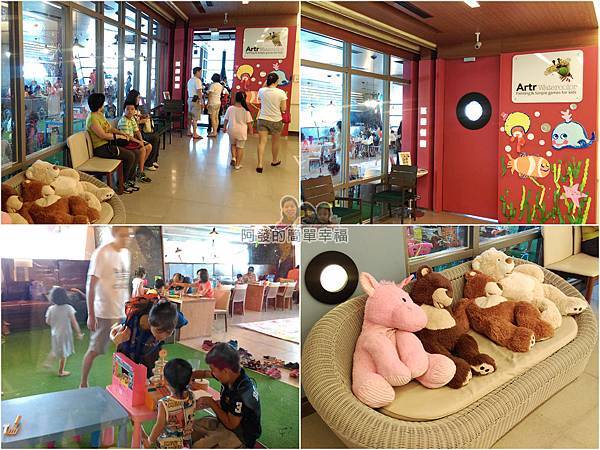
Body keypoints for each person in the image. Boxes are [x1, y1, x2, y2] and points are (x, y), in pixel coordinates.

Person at [80, 227, 132, 388]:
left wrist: (129, 308)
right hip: (104, 313)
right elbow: (91, 285)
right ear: (114, 234)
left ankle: (123, 386)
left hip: (122, 312)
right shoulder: (102, 253)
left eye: (129, 235)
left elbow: (123, 285)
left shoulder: (126, 254)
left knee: (124, 351)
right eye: (123, 235)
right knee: (95, 350)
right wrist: (91, 314)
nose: (127, 238)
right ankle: (83, 383)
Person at [192, 343, 262, 448]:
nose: (212, 372)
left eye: (213, 369)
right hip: (225, 422)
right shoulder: (232, 374)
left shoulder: (241, 393)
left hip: (240, 435)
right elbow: (205, 373)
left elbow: (231, 424)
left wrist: (211, 402)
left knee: (198, 447)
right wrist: (188, 375)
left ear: (225, 371)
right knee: (190, 429)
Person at [111, 300, 186, 377]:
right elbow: (118, 336)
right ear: (149, 321)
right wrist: (115, 338)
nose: (162, 337)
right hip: (131, 352)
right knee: (130, 376)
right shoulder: (133, 321)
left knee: (149, 375)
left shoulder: (174, 318)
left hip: (149, 353)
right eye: (158, 332)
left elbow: (184, 321)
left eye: (169, 333)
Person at [86, 93, 138, 193]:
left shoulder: (99, 115)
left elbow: (109, 128)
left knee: (135, 152)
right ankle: (121, 184)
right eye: (102, 102)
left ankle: (129, 180)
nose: (104, 104)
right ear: (99, 104)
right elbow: (103, 135)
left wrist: (121, 133)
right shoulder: (92, 119)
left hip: (108, 144)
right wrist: (119, 137)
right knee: (130, 156)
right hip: (101, 148)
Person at [143, 358, 196, 448]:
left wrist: (149, 441)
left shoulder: (163, 404)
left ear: (165, 380)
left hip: (167, 446)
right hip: (186, 443)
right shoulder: (192, 395)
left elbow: (159, 426)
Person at [45, 286, 84, 377]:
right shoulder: (68, 308)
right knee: (64, 353)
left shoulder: (51, 308)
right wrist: (79, 333)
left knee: (55, 348)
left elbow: (47, 321)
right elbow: (74, 322)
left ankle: (48, 363)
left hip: (55, 333)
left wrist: (55, 325)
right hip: (65, 334)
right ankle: (61, 371)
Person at [255, 72, 288, 173]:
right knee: (275, 142)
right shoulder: (281, 93)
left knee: (262, 142)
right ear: (277, 81)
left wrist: (266, 82)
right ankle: (274, 160)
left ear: (267, 80)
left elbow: (259, 97)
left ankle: (260, 164)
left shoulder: (261, 91)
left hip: (262, 119)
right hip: (276, 120)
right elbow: (284, 108)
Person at [124, 89, 160, 171]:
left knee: (156, 136)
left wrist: (142, 117)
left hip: (139, 131)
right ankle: (148, 163)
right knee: (154, 137)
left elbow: (136, 119)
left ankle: (153, 160)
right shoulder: (129, 108)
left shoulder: (136, 108)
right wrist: (141, 121)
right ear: (134, 98)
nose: (139, 99)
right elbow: (132, 123)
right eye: (138, 97)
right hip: (135, 134)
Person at [118, 102, 153, 183]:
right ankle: (140, 172)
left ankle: (139, 168)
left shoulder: (132, 119)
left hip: (133, 140)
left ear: (135, 111)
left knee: (149, 146)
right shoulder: (123, 121)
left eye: (132, 109)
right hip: (126, 142)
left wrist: (141, 140)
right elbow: (128, 137)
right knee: (143, 149)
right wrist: (139, 142)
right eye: (127, 109)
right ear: (124, 110)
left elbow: (137, 131)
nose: (130, 111)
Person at [223, 92, 253, 170]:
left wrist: (224, 127)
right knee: (240, 148)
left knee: (233, 144)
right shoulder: (246, 110)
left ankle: (233, 157)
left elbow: (226, 119)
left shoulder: (230, 108)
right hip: (241, 132)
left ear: (235, 98)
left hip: (231, 130)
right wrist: (251, 131)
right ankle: (237, 165)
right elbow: (249, 123)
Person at [206, 74, 228, 138]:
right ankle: (215, 131)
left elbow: (210, 94)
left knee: (212, 118)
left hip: (212, 103)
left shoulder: (213, 85)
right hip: (218, 102)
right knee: (216, 117)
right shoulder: (221, 86)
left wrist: (208, 103)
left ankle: (214, 132)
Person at [187, 67, 204, 140]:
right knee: (195, 118)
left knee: (190, 117)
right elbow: (199, 91)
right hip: (196, 99)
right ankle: (195, 133)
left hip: (190, 99)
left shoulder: (190, 80)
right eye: (200, 72)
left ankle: (189, 131)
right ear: (197, 72)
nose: (201, 73)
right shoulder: (197, 80)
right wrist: (201, 101)